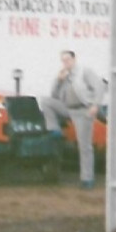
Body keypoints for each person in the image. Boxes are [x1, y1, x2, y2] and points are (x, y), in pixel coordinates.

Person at [41, 50, 105, 189]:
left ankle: (87, 179)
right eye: (63, 60)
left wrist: (95, 105)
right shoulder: (64, 75)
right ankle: (54, 129)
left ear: (74, 59)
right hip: (67, 108)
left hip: (82, 110)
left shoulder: (84, 71)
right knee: (45, 101)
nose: (65, 63)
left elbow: (100, 86)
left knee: (84, 146)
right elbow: (54, 95)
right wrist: (58, 80)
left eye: (68, 60)